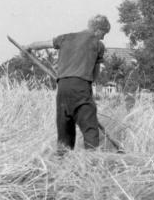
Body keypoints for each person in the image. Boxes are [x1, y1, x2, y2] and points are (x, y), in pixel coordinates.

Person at [25, 15, 110, 154]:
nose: (103, 38)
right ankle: (93, 162)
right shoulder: (98, 45)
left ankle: (62, 161)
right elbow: (95, 75)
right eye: (104, 34)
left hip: (62, 87)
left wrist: (28, 47)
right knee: (90, 127)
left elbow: (41, 44)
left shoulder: (65, 37)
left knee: (65, 128)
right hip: (81, 86)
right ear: (98, 30)